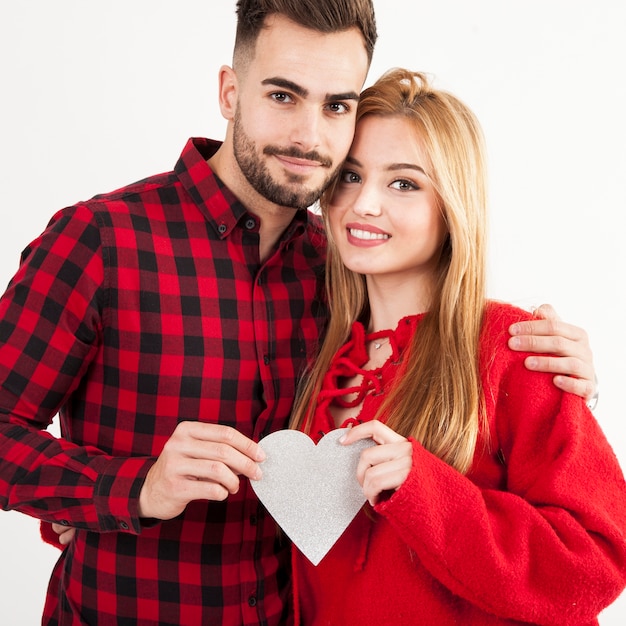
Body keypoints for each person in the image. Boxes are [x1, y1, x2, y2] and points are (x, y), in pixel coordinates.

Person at [0, 0, 598, 623]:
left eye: (336, 105)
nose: (311, 137)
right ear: (230, 92)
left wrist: (553, 369)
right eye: (283, 96)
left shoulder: (342, 270)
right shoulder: (102, 241)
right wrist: (129, 490)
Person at [288, 68, 626, 625]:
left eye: (403, 183)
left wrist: (424, 488)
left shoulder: (515, 347)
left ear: (452, 207)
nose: (364, 203)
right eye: (350, 175)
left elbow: (594, 564)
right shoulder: (320, 353)